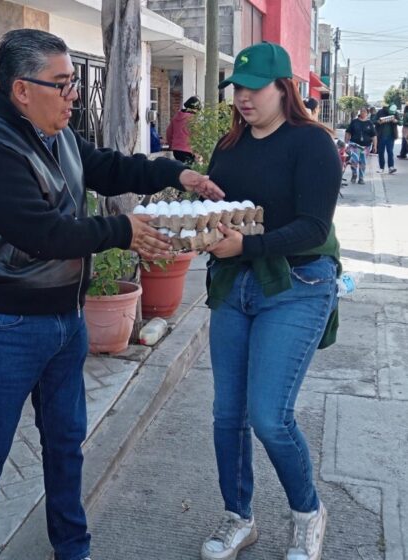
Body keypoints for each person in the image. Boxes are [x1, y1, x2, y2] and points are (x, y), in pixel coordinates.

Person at [0, 29, 223, 560]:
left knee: (66, 442)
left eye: (74, 83)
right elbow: (43, 234)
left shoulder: (61, 135)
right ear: (22, 90)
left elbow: (111, 167)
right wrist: (123, 231)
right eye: (63, 84)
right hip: (3, 325)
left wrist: (178, 172)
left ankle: (72, 547)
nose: (73, 95)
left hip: (65, 320)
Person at [200, 42, 341, 560]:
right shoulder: (229, 145)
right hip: (234, 285)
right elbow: (222, 213)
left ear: (284, 88)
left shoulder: (312, 143)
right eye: (237, 87)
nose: (243, 97)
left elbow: (313, 227)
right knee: (227, 414)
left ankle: (308, 513)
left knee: (269, 416)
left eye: (255, 88)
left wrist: (246, 246)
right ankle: (239, 517)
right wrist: (198, 220)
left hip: (297, 284)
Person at [166, 95, 201, 165]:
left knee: (180, 168)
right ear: (195, 108)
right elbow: (196, 136)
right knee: (189, 169)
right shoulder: (193, 119)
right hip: (188, 151)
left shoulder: (176, 117)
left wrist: (172, 145)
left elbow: (168, 133)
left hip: (176, 151)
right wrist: (197, 153)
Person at [345, 107, 376, 184]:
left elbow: (374, 136)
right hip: (354, 145)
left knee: (363, 162)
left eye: (364, 111)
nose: (362, 112)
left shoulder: (369, 123)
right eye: (361, 111)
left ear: (367, 113)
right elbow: (348, 132)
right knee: (354, 160)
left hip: (366, 146)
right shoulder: (354, 122)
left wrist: (375, 146)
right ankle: (354, 174)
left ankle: (361, 178)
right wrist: (346, 143)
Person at [372, 104, 399, 174]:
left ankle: (391, 167)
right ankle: (381, 167)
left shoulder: (395, 112)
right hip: (381, 136)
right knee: (381, 152)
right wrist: (379, 121)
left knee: (390, 152)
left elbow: (401, 122)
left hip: (391, 136)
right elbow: (373, 120)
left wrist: (396, 121)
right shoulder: (380, 112)